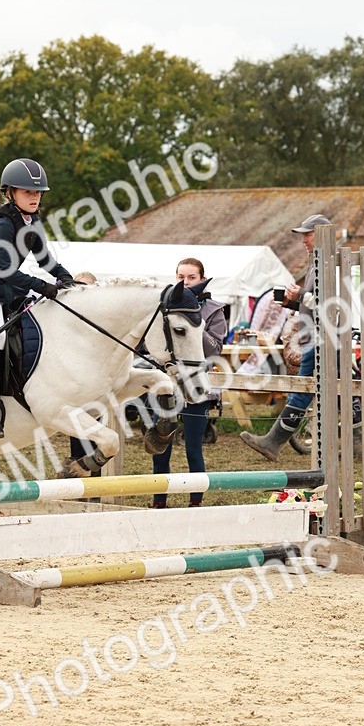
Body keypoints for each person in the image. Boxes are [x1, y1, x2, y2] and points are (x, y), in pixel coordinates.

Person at [0, 158, 74, 438]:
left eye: (38, 192)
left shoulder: (33, 221)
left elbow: (44, 259)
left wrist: (67, 278)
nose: (34, 197)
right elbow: (4, 271)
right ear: (10, 193)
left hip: (10, 288)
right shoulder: (2, 223)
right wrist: (42, 287)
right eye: (28, 192)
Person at [240, 213, 343, 461]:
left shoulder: (330, 264)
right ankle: (359, 436)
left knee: (303, 390)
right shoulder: (318, 262)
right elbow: (315, 305)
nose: (303, 240)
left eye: (307, 234)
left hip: (322, 339)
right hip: (317, 338)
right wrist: (293, 303)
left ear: (320, 234)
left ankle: (273, 442)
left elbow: (330, 305)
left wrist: (299, 296)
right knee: (335, 391)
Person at [149, 259, 227, 507]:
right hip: (166, 386)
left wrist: (194, 324)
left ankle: (196, 503)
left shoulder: (214, 310)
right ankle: (159, 502)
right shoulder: (164, 307)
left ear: (202, 279)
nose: (185, 282)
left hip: (196, 387)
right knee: (161, 450)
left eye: (191, 277)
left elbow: (215, 350)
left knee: (193, 448)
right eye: (180, 276)